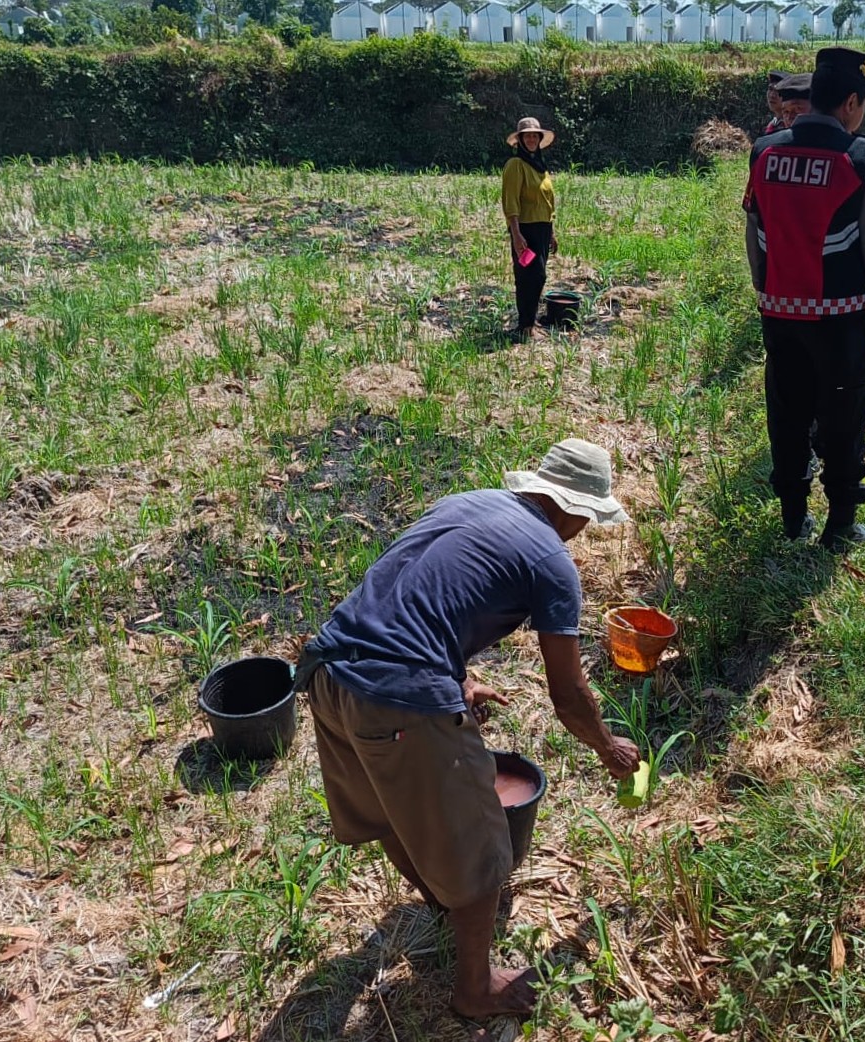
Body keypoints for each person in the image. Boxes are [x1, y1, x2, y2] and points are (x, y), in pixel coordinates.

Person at [295, 439, 642, 1020]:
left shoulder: (467, 503)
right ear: (578, 511)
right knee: (485, 854)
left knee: (386, 810)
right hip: (397, 699)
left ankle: (439, 898)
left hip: (328, 675)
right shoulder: (553, 561)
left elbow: (415, 598)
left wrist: (457, 678)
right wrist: (608, 746)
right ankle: (475, 989)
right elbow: (568, 695)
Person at [742, 48, 865, 551]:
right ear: (851, 101)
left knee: (787, 414)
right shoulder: (860, 160)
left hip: (779, 315)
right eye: (864, 105)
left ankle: (793, 521)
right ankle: (840, 527)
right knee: (843, 419)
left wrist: (767, 290)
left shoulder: (765, 152)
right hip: (839, 319)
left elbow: (754, 230)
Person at [501, 116, 559, 342]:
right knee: (530, 276)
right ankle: (525, 325)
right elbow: (511, 202)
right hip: (525, 231)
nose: (532, 139)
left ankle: (531, 321)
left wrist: (552, 232)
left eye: (536, 135)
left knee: (538, 278)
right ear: (521, 140)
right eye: (528, 136)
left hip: (542, 230)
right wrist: (516, 234)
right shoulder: (515, 166)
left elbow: (547, 202)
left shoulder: (540, 167)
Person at [762, 70, 788, 135]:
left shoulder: (789, 125)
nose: (772, 95)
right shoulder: (773, 124)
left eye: (778, 91)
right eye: (770, 89)